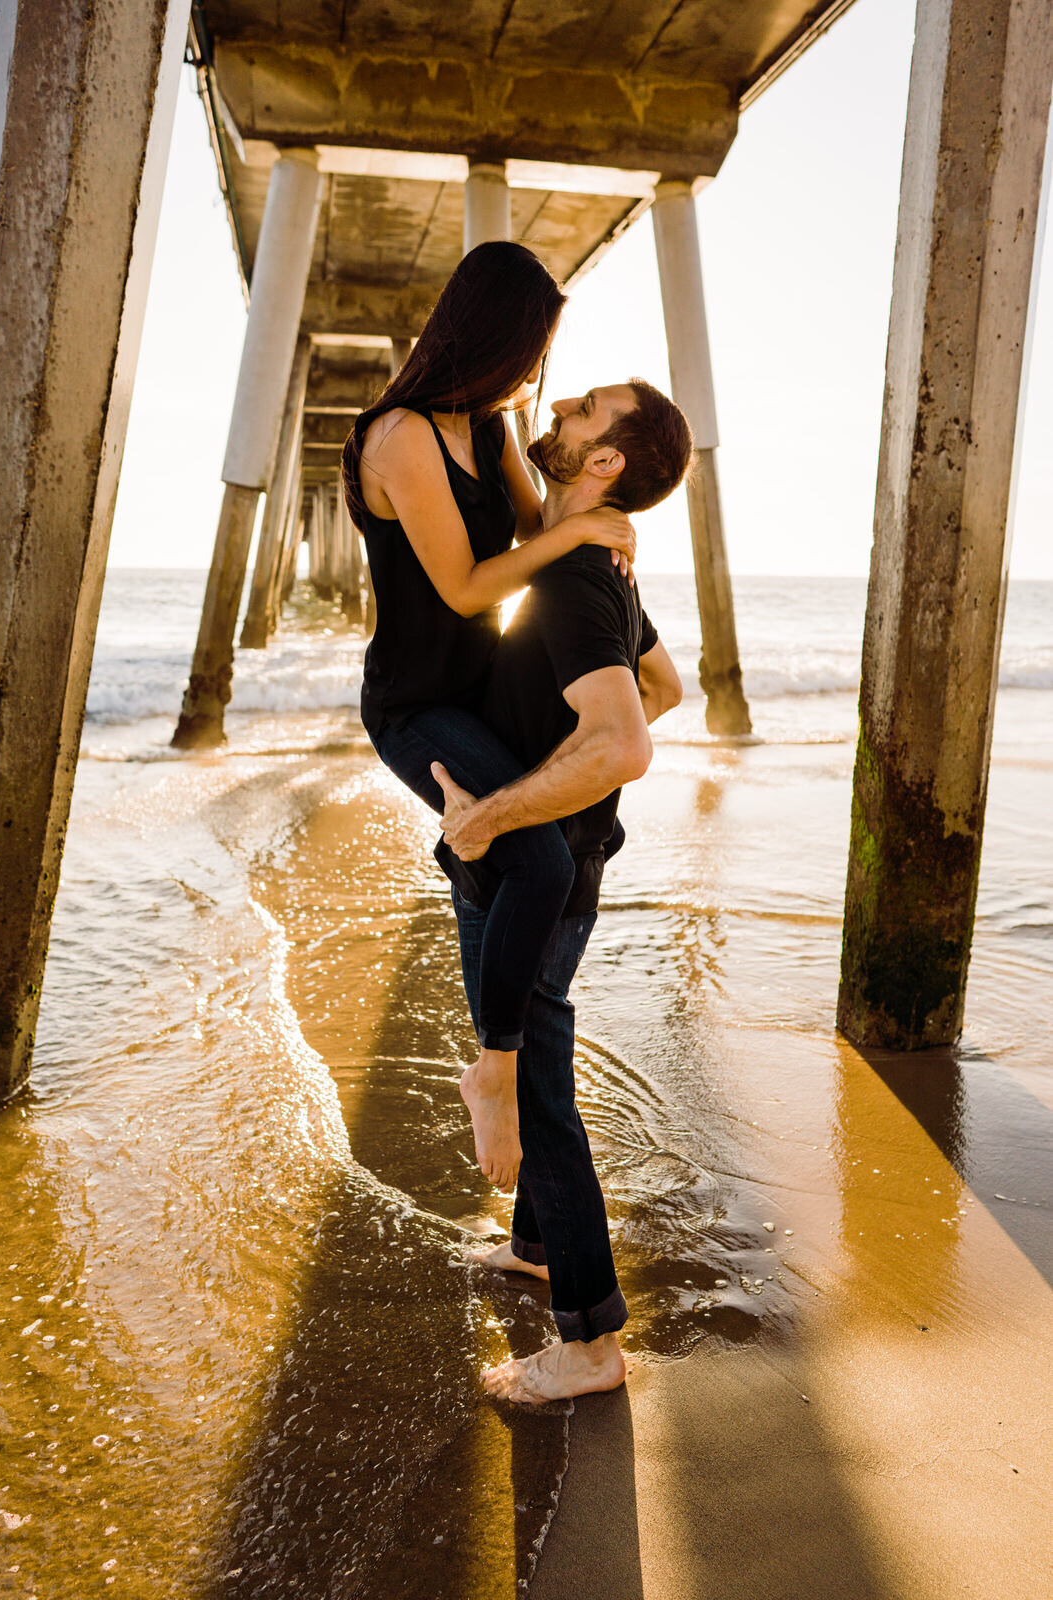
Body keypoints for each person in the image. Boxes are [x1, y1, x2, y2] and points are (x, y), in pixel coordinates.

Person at [344, 243, 637, 1193]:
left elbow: (535, 536)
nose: (534, 375)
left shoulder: (491, 425)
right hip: (415, 706)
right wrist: (580, 533)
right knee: (538, 856)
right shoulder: (397, 436)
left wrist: (600, 521)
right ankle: (497, 1073)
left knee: (523, 857)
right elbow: (470, 589)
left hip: (476, 698)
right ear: (493, 332)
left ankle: (536, 1232)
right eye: (530, 350)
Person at [433, 379, 691, 1404]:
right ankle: (538, 1245)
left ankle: (588, 1342)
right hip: (574, 862)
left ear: (604, 461)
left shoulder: (578, 581)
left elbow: (625, 738)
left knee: (535, 1077)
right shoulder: (593, 564)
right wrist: (558, 779)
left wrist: (498, 812)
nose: (565, 405)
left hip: (531, 872)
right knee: (537, 1042)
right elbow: (665, 690)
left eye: (580, 409)